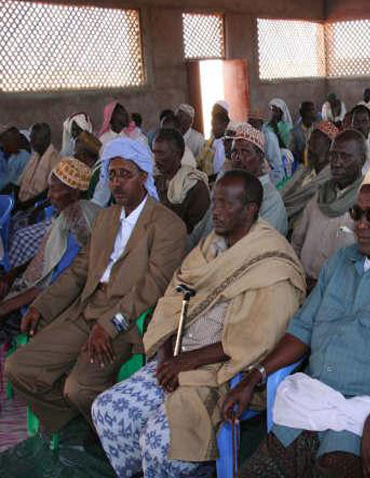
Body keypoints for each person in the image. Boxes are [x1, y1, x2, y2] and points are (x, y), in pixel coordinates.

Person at [223, 160, 370, 478]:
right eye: (357, 213)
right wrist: (254, 377)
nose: (361, 225)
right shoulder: (340, 262)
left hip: (367, 412)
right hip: (310, 402)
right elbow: (302, 329)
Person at [92, 170, 306, 478]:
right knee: (107, 410)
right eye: (214, 202)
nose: (215, 211)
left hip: (224, 372)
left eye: (226, 204)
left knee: (158, 442)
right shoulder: (212, 245)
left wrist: (186, 361)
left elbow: (255, 340)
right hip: (178, 356)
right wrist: (167, 355)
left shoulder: (273, 262)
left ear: (250, 210)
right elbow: (174, 299)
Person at [4, 137, 187, 435]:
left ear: (143, 176)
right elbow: (78, 272)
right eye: (112, 175)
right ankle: (80, 423)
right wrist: (41, 306)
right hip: (85, 311)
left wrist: (110, 324)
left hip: (125, 321)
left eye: (125, 174)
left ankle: (109, 434)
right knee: (17, 367)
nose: (116, 183)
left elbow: (152, 287)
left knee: (78, 388)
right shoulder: (106, 218)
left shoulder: (168, 225)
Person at [0, 158, 101, 331]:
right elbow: (48, 255)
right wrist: (12, 274)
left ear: (74, 193)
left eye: (54, 189)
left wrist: (7, 306)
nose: (48, 195)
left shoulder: (77, 226)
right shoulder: (68, 213)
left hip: (50, 302)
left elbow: (54, 282)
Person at [292, 129, 366, 287]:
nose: (337, 163)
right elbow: (297, 240)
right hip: (301, 282)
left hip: (336, 291)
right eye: (333, 155)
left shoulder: (365, 203)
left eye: (345, 156)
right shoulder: (320, 195)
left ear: (362, 160)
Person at [231, 123, 288, 235]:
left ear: (260, 157)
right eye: (234, 152)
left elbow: (261, 240)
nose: (238, 158)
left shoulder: (269, 198)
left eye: (245, 152)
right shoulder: (233, 189)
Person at [152, 128, 210, 234]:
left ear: (177, 154)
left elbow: (198, 231)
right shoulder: (154, 183)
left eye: (161, 153)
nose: (156, 159)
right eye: (154, 153)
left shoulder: (194, 187)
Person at [281, 121, 337, 226]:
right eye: (309, 143)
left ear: (329, 149)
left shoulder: (329, 182)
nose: (309, 148)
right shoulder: (304, 170)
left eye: (315, 144)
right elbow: (283, 194)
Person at [18, 122, 60, 205]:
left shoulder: (55, 160)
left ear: (46, 139)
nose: (31, 142)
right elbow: (21, 181)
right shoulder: (35, 156)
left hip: (37, 204)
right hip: (24, 201)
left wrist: (27, 204)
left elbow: (48, 192)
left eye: (34, 139)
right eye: (31, 138)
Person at [249, 109, 284, 185]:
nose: (251, 126)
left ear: (261, 123)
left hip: (274, 174)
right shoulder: (254, 136)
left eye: (254, 123)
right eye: (249, 123)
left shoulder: (268, 137)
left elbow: (272, 164)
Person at [196, 101, 230, 179]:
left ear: (225, 125)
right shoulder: (213, 139)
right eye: (212, 125)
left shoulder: (225, 145)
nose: (213, 128)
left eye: (215, 125)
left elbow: (220, 171)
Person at [0, 127, 31, 194]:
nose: (3, 146)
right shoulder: (5, 154)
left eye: (6, 144)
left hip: (12, 191)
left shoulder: (24, 157)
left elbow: (12, 180)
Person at [74, 131, 103, 198]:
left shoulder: (97, 175)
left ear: (83, 156)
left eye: (76, 154)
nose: (74, 157)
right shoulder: (98, 168)